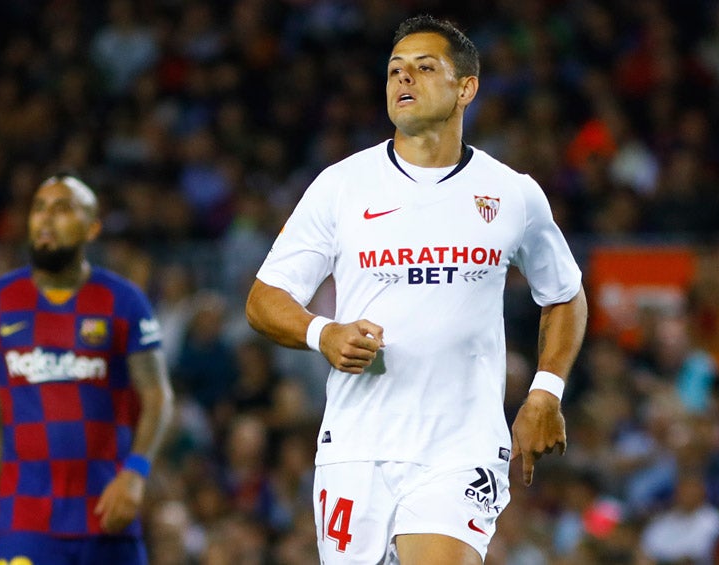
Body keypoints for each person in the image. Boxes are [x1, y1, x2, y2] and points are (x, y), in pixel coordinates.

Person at [245, 14, 588, 564]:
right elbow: (264, 299)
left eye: (425, 68)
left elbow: (565, 294)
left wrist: (546, 391)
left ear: (465, 88)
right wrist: (323, 333)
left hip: (461, 445)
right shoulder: (342, 186)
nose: (404, 79)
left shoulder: (512, 193)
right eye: (395, 71)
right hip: (357, 445)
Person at [0, 174, 174, 564]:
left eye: (62, 208)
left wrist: (136, 471)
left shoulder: (123, 301)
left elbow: (158, 396)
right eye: (39, 208)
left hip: (107, 512)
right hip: (26, 517)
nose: (45, 219)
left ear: (92, 227)